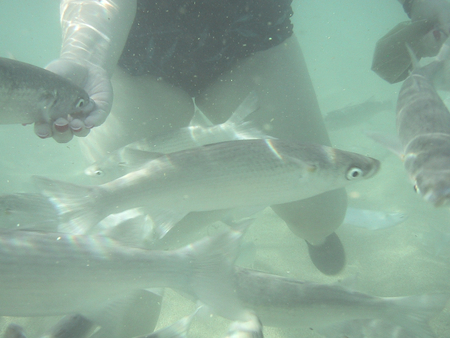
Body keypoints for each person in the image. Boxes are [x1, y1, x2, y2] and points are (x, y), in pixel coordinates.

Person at [41, 0, 450, 275]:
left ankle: (317, 235)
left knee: (321, 212)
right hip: (128, 59)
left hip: (252, 45)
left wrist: (437, 18)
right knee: (129, 240)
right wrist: (84, 57)